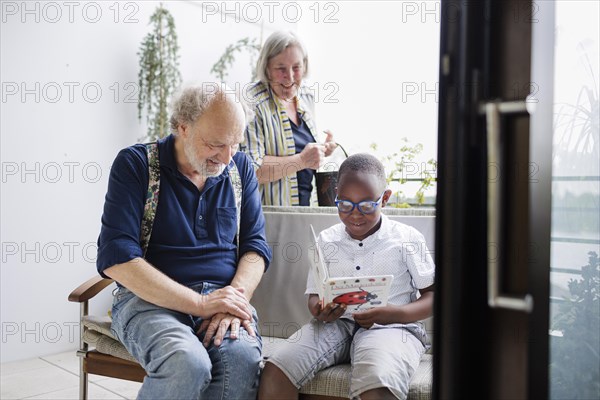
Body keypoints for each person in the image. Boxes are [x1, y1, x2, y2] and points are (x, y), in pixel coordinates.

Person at [96, 83, 272, 400]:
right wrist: (201, 304)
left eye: (235, 143)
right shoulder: (137, 165)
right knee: (187, 363)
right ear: (183, 128)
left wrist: (233, 300)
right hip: (149, 302)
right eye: (216, 144)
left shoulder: (239, 167)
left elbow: (255, 249)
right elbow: (117, 258)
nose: (227, 156)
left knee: (241, 361)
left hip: (222, 299)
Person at [258, 153, 435, 400]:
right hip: (336, 324)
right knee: (276, 370)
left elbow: (433, 296)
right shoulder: (326, 240)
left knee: (378, 383)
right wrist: (319, 310)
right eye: (345, 204)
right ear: (336, 197)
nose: (355, 214)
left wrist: (394, 313)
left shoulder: (407, 239)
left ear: (384, 198)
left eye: (365, 206)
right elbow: (314, 295)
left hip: (393, 327)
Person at [242, 30, 338, 206]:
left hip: (304, 211)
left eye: (296, 67)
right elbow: (251, 170)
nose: (290, 77)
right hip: (268, 218)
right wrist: (301, 160)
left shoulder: (306, 97)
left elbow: (301, 149)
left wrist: (321, 150)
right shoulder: (252, 103)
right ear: (267, 69)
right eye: (280, 69)